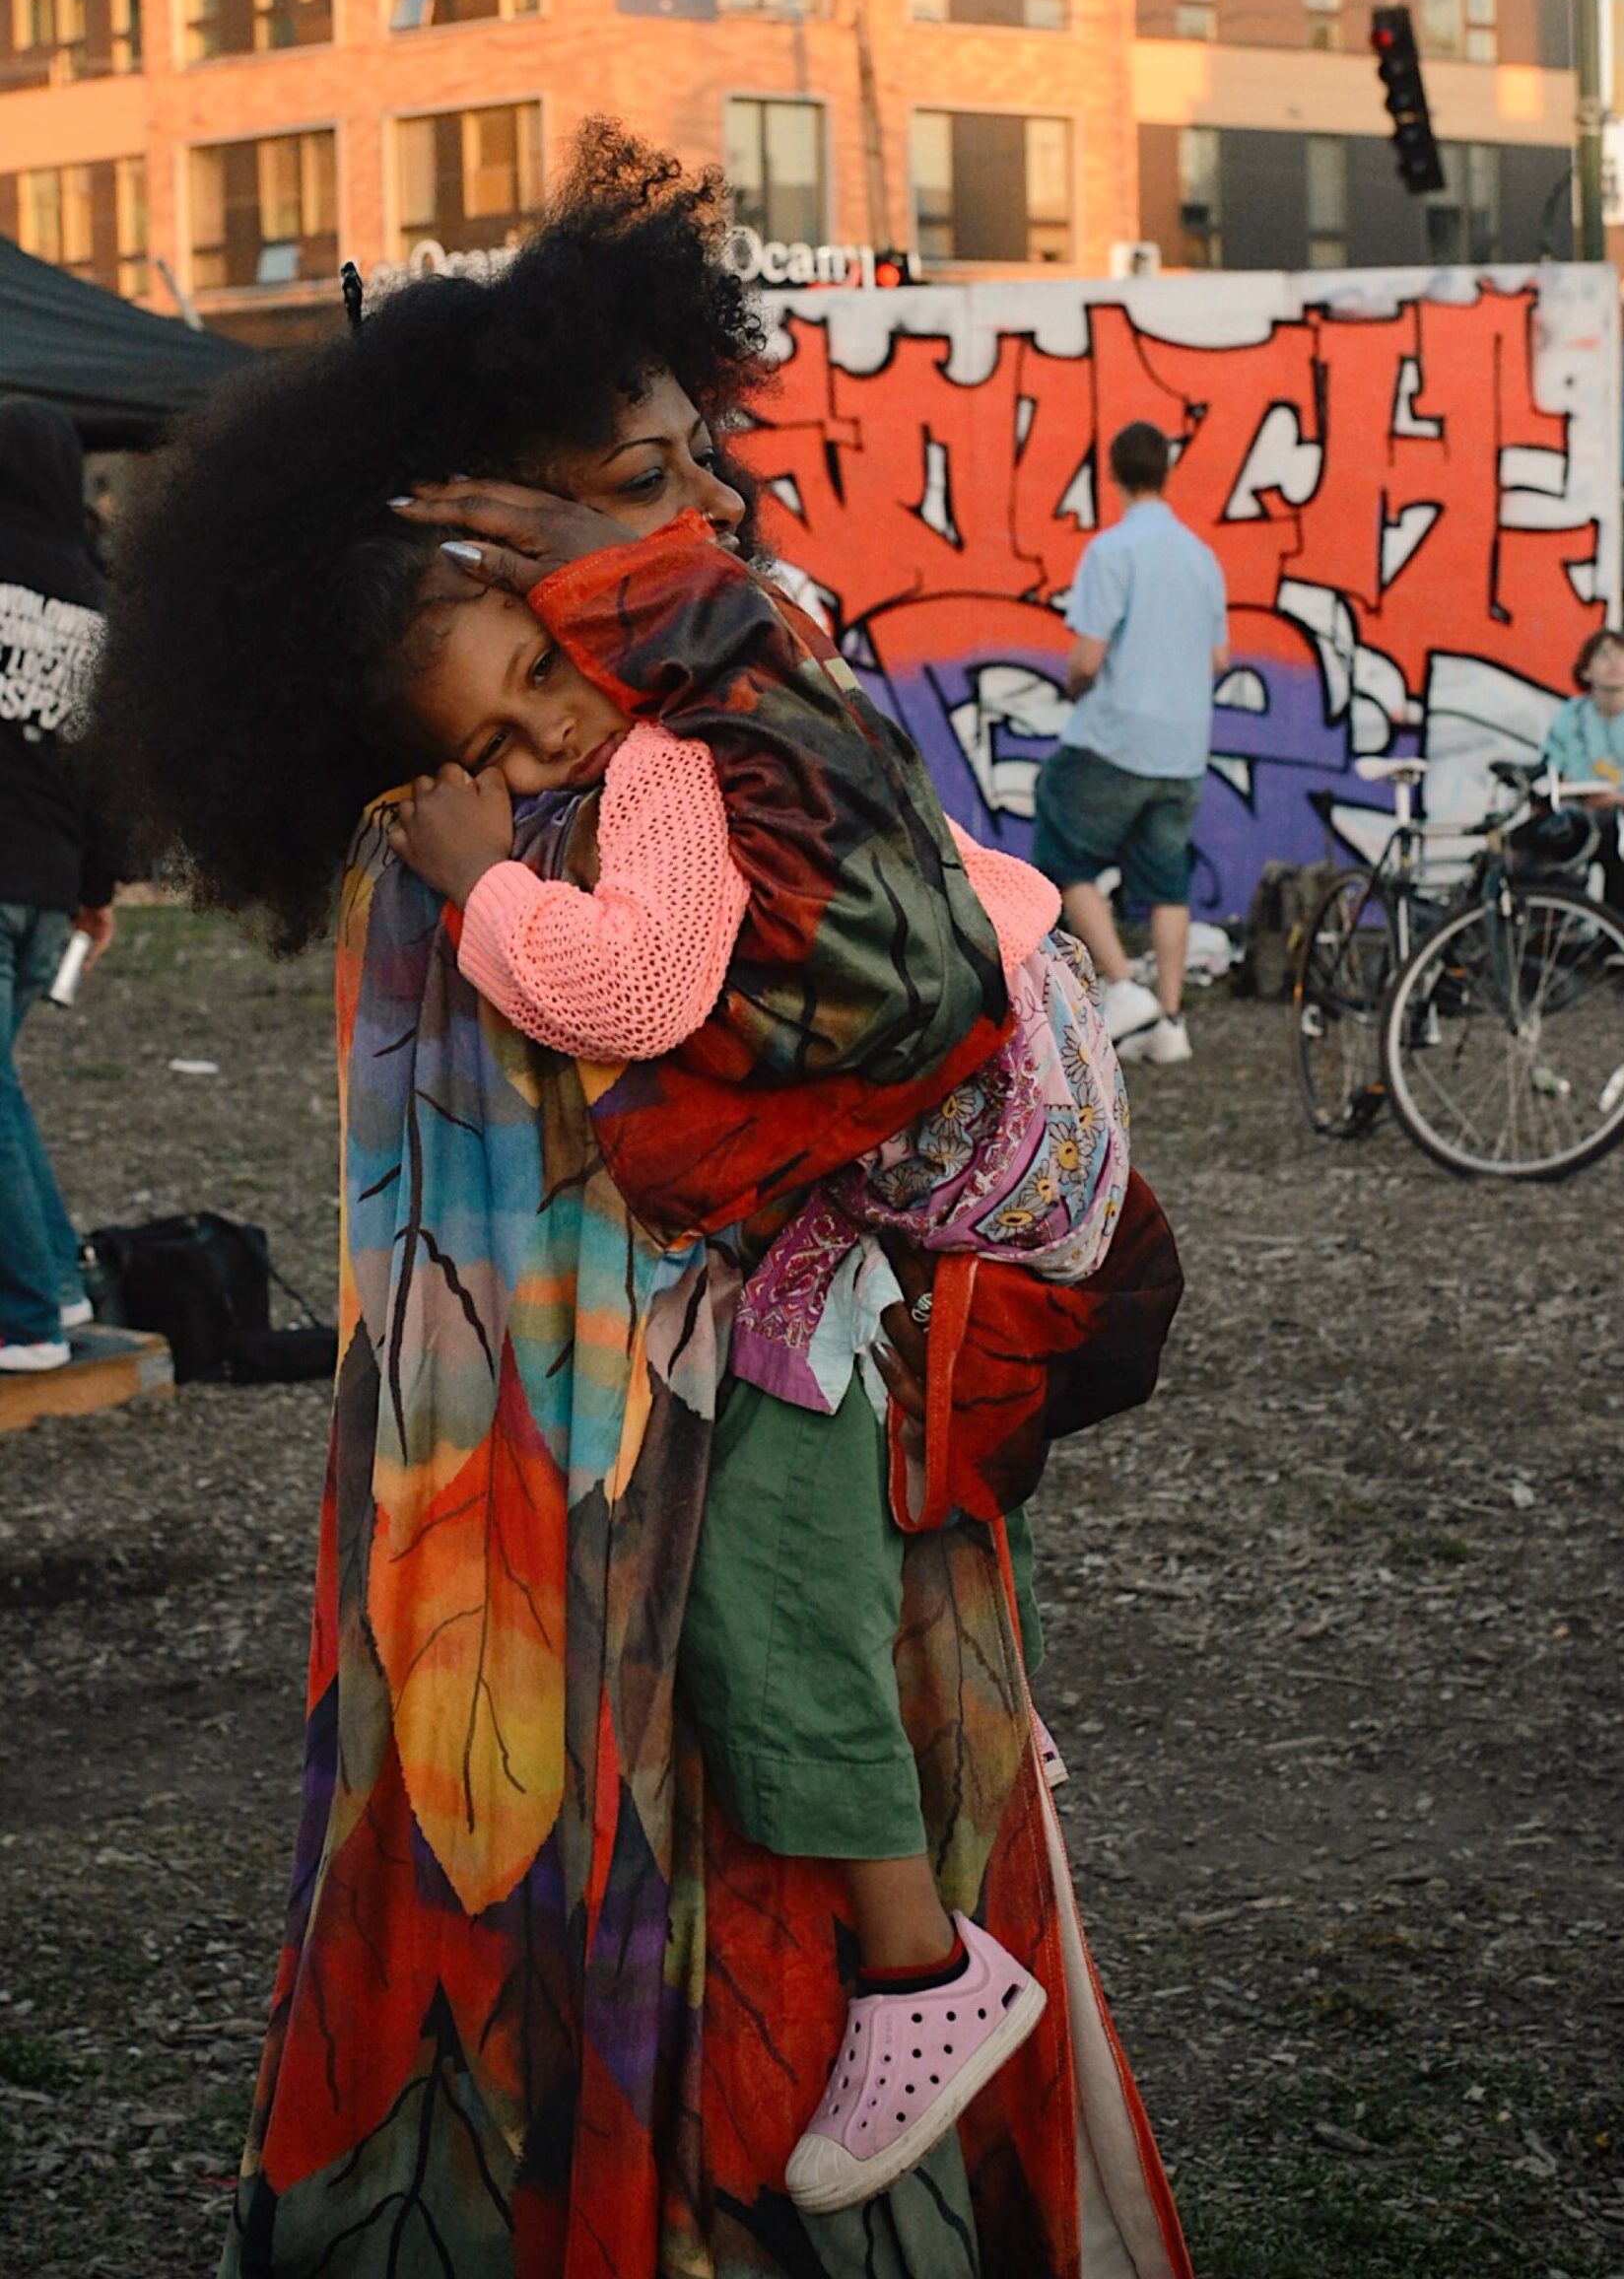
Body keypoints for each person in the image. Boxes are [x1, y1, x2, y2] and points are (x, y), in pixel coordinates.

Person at [86, 125, 1192, 2279]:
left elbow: (904, 992)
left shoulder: (668, 730)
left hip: (688, 1461)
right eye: (638, 477)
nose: (707, 506)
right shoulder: (554, 785)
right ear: (484, 536)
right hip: (563, 1520)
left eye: (703, 456)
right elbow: (840, 1004)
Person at [376, 493, 1134, 2209]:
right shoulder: (761, 677)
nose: (540, 744)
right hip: (1032, 1089)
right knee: (883, 1429)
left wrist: (483, 882)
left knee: (765, 1540)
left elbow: (635, 993)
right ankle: (981, 1725)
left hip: (982, 1133)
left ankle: (925, 1969)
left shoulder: (663, 761)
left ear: (588, 618)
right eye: (495, 745)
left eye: (537, 681)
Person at [1034, 419, 1228, 1067]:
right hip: (1184, 745)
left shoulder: (1110, 552)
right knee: (1167, 881)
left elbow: (1087, 659)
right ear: (1167, 472)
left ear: (1112, 474)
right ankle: (1170, 1022)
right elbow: (1219, 657)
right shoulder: (1201, 557)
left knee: (1061, 840)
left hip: (1116, 736)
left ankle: (1123, 986)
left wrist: (1073, 686)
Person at [0, 396, 117, 1373]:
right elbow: (112, 775)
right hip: (47, 886)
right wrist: (97, 891)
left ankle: (28, 1319)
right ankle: (63, 1289)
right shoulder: (98, 600)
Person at [1542, 628, 1624, 918]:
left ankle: (1616, 928)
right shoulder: (1571, 715)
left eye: (1622, 656)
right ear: (1586, 670)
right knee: (1533, 841)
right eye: (1604, 655)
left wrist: (1615, 799)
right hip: (1580, 813)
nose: (1614, 663)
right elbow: (1555, 773)